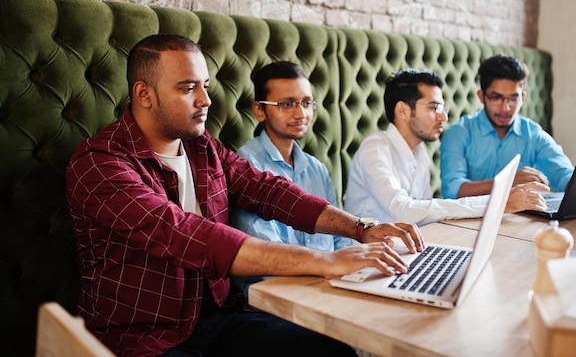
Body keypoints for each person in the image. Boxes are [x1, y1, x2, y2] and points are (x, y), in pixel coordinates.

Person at [65, 34, 424, 357]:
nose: (206, 100)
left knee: (333, 351)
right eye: (188, 88)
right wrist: (328, 261)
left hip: (219, 318)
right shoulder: (100, 163)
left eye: (205, 85)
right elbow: (187, 235)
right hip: (143, 337)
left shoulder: (201, 146)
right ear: (144, 94)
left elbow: (268, 190)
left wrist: (360, 228)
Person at [344, 68, 548, 226]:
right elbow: (404, 210)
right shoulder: (375, 149)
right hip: (361, 257)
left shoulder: (419, 153)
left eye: (443, 108)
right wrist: (496, 204)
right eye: (434, 108)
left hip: (400, 252)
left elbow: (422, 216)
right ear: (403, 110)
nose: (444, 116)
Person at [231, 61, 352, 296]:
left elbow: (341, 240)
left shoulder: (317, 169)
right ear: (259, 110)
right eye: (287, 104)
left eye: (306, 103)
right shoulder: (247, 166)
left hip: (329, 284)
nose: (301, 114)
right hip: (274, 294)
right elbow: (266, 256)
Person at [440, 54, 574, 199]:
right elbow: (452, 189)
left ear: (522, 97)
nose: (506, 108)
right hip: (467, 219)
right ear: (481, 96)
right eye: (496, 98)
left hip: (518, 218)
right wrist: (507, 182)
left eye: (513, 98)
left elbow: (564, 174)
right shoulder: (459, 132)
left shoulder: (533, 134)